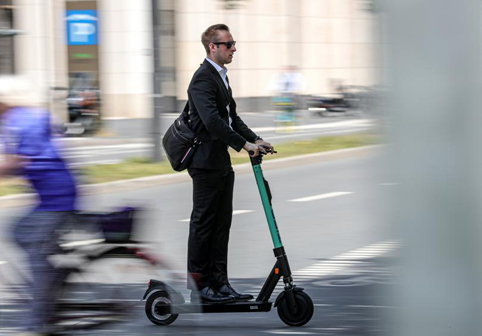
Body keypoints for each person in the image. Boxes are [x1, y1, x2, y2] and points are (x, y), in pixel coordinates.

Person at [186, 24, 274, 303]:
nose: (234, 48)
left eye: (233, 43)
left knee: (221, 224)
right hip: (204, 162)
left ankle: (220, 284)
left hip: (220, 161)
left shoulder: (221, 77)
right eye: (229, 43)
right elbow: (212, 121)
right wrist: (244, 145)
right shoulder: (202, 78)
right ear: (213, 47)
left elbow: (232, 118)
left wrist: (256, 139)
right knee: (203, 225)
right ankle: (200, 288)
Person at [0, 76, 78, 336]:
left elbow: (18, 161)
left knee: (31, 245)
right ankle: (53, 277)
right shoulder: (20, 118)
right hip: (54, 195)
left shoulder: (21, 121)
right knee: (21, 233)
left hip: (57, 199)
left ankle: (39, 319)